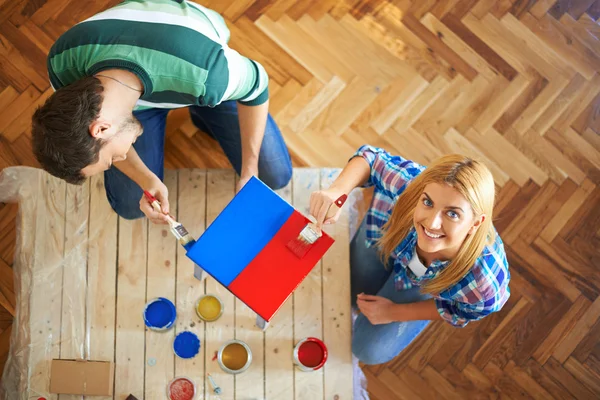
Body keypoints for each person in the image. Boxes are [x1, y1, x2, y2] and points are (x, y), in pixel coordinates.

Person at [31, 0, 292, 224]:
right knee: (129, 203)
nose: (119, 158)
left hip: (192, 70)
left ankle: (205, 110)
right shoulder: (63, 67)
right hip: (146, 94)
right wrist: (147, 179)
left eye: (110, 160)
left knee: (273, 175)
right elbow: (115, 149)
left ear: (101, 128)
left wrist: (249, 172)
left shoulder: (208, 75)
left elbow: (258, 86)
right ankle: (203, 114)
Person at [309, 145, 510, 365]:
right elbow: (371, 159)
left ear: (476, 223)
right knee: (352, 291)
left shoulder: (484, 282)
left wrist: (394, 312)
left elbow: (460, 311)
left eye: (452, 213)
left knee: (368, 350)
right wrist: (337, 191)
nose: (431, 223)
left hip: (425, 283)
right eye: (427, 202)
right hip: (385, 238)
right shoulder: (411, 185)